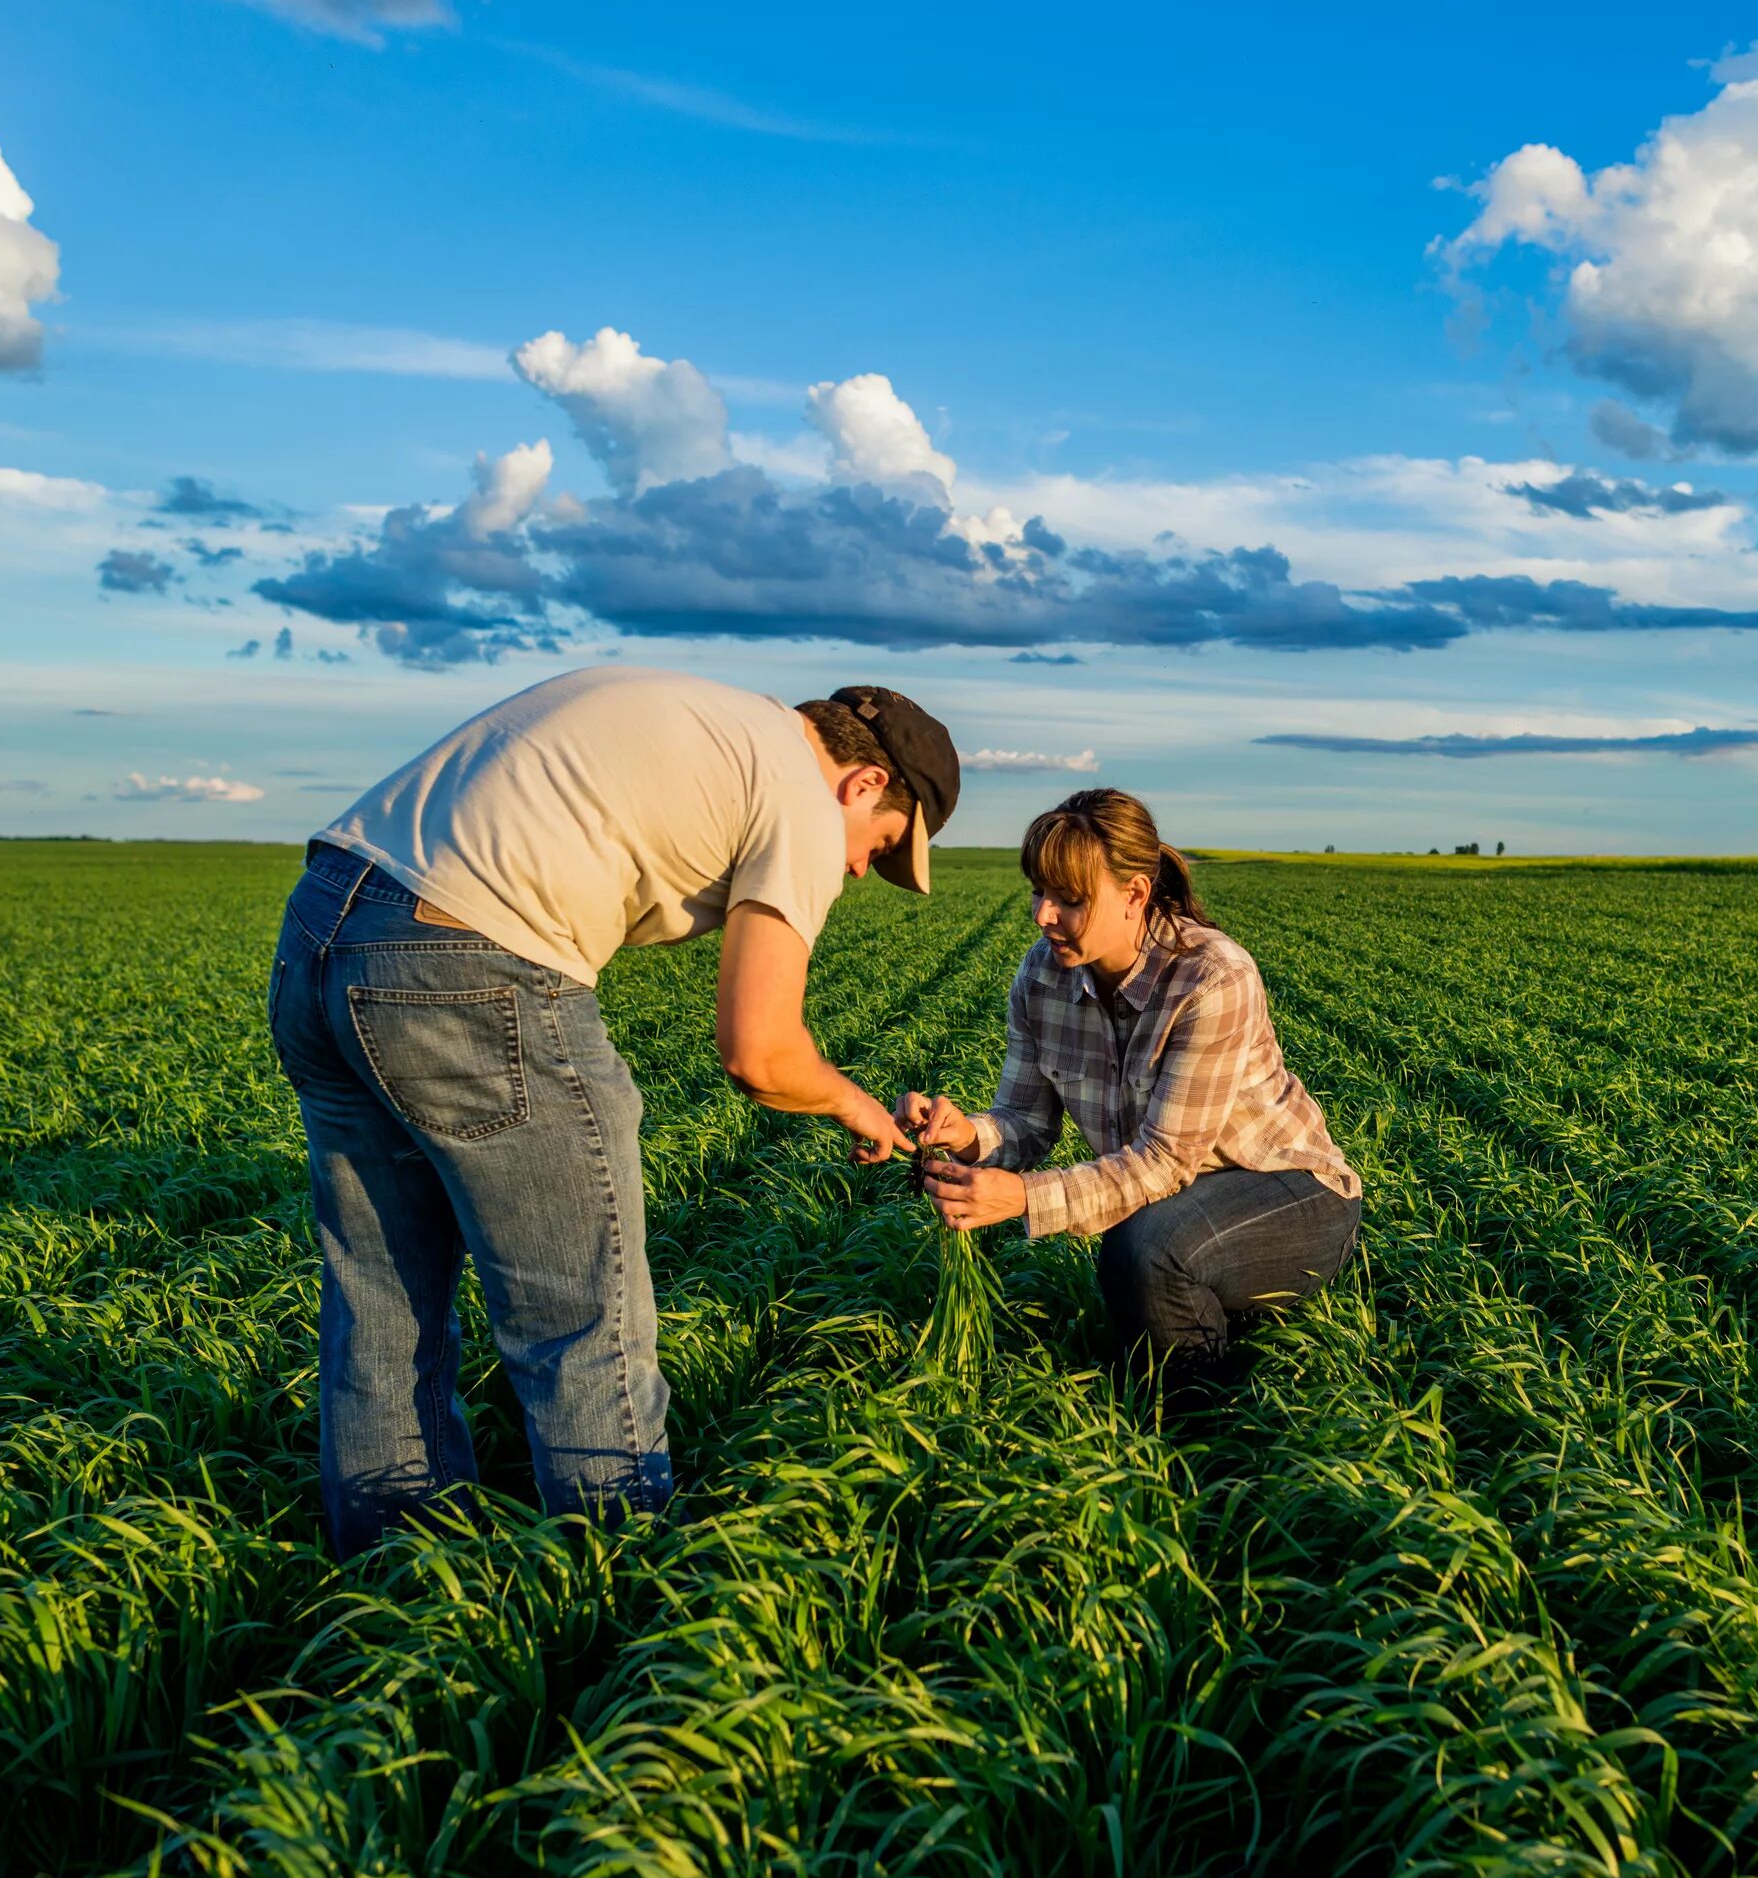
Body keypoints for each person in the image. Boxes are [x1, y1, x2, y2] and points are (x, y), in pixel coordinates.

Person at [268, 667, 959, 1556]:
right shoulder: (795, 789)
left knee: (383, 1298)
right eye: (881, 840)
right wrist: (853, 1102)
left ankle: (397, 1587)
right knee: (583, 1319)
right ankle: (623, 1589)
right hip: (467, 959)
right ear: (863, 784)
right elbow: (761, 1052)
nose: (861, 866)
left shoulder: (710, 716)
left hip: (322, 930)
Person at [896, 788, 1359, 1381]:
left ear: (1135, 893)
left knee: (1145, 1249)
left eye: (1068, 899)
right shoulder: (1041, 977)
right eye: (1038, 892)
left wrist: (1023, 1197)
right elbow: (1024, 1123)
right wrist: (964, 1136)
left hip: (1291, 1194)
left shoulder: (1212, 978)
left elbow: (1163, 1164)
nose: (1042, 915)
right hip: (1182, 1203)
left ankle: (1196, 1435)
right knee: (1150, 1246)